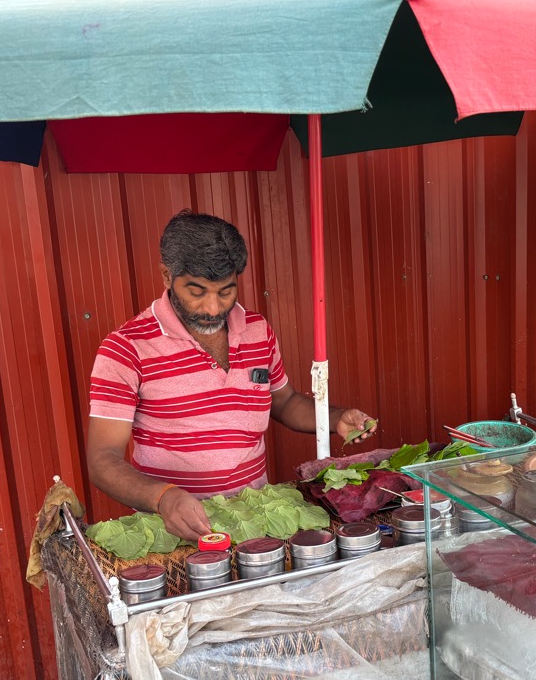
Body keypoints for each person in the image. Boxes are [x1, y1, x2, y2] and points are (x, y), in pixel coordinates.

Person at [87, 209, 376, 541]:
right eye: (197, 292)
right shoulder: (125, 348)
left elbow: (284, 402)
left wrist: (335, 417)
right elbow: (102, 458)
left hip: (258, 521)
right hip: (177, 532)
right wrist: (162, 497)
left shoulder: (257, 330)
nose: (213, 308)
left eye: (225, 291)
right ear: (167, 276)